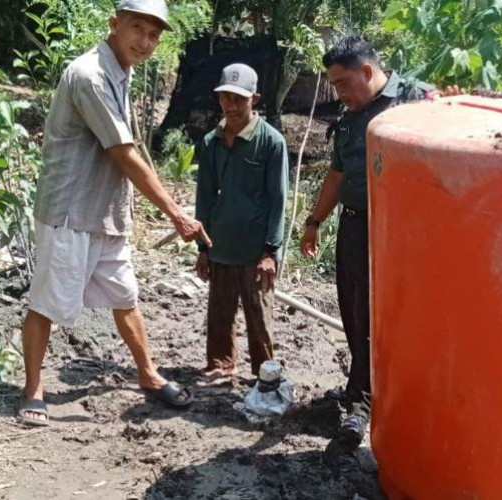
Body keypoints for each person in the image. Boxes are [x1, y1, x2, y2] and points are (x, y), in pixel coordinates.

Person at [18, 0, 211, 426]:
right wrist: (174, 212)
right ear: (114, 24)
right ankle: (33, 389)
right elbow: (123, 154)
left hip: (105, 212)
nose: (145, 41)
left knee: (126, 297)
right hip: (71, 210)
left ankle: (148, 374)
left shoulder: (121, 73)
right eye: (137, 28)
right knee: (47, 302)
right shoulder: (90, 75)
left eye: (154, 35)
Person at [300, 36, 458, 447]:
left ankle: (365, 406)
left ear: (367, 72)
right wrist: (315, 220)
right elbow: (336, 174)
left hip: (396, 232)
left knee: (378, 318)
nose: (340, 94)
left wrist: (450, 106)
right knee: (352, 311)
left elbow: (454, 141)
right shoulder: (351, 116)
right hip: (353, 226)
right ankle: (359, 389)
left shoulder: (416, 101)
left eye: (342, 84)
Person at [195, 63, 289, 381]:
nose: (231, 106)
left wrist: (270, 251)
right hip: (220, 243)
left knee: (259, 316)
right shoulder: (211, 142)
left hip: (254, 250)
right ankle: (221, 364)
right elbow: (204, 198)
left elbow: (278, 200)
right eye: (225, 98)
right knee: (219, 312)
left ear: (255, 99)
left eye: (239, 99)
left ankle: (265, 375)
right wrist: (202, 247)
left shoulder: (271, 143)